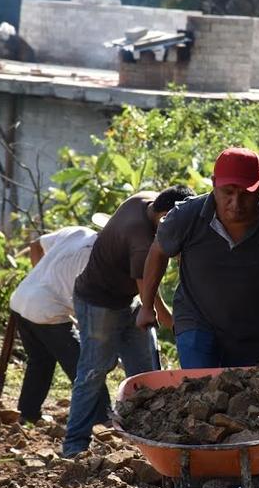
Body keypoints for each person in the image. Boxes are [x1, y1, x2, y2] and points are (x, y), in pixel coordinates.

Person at [137, 147, 259, 368]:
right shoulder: (186, 216)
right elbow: (158, 251)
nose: (236, 204)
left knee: (242, 393)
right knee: (201, 386)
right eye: (228, 192)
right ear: (214, 183)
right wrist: (146, 307)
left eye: (246, 194)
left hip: (252, 327)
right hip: (197, 319)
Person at [62, 185, 195, 458]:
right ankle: (74, 444)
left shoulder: (144, 199)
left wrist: (155, 309)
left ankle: (149, 441)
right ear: (167, 214)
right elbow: (146, 283)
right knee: (94, 370)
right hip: (98, 302)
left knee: (145, 372)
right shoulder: (141, 239)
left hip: (127, 300)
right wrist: (161, 313)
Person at [9, 225, 95, 424]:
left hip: (22, 298)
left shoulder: (77, 232)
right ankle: (100, 418)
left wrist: (41, 283)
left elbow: (35, 245)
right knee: (83, 365)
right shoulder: (104, 256)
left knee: (40, 360)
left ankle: (28, 413)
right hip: (49, 310)